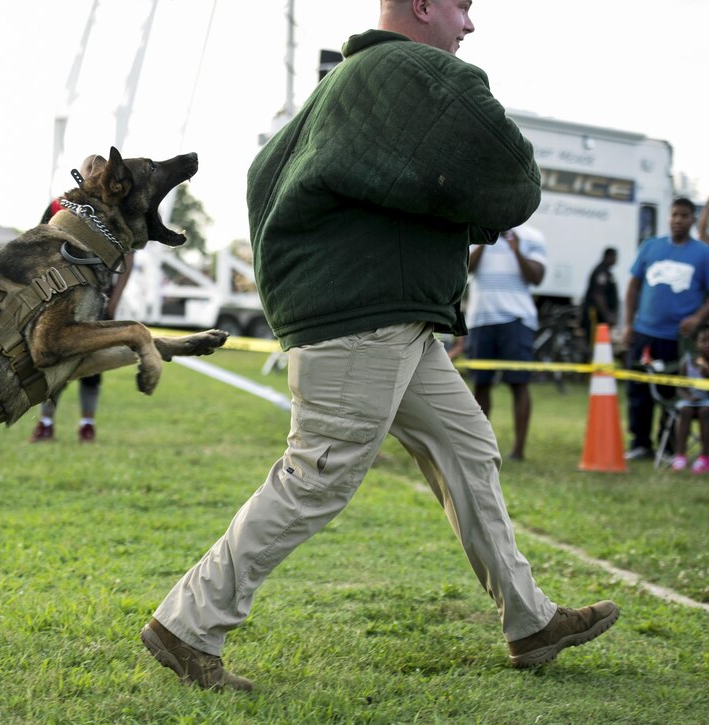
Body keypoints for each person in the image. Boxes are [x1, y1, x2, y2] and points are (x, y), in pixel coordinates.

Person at [139, 0, 618, 692]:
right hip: (365, 319)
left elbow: (264, 178)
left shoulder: (337, 87)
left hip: (394, 319)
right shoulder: (409, 69)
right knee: (317, 476)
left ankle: (530, 619)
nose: (470, 26)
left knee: (469, 450)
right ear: (423, 6)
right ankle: (188, 623)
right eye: (463, 7)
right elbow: (511, 172)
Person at [28, 199, 133, 443]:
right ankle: (45, 424)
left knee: (93, 367)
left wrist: (114, 301)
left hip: (99, 300)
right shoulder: (57, 207)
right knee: (55, 363)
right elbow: (40, 246)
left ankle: (87, 426)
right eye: (89, 169)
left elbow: (128, 259)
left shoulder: (114, 211)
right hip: (63, 301)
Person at [622, 198, 709, 462]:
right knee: (639, 390)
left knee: (673, 392)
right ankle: (640, 443)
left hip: (679, 339)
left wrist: (696, 318)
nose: (678, 220)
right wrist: (628, 324)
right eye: (674, 215)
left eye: (684, 215)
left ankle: (669, 446)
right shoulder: (651, 247)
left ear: (693, 219)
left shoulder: (703, 253)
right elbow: (634, 286)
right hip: (645, 332)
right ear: (668, 217)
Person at [458, 225, 546, 461]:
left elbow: (537, 277)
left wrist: (516, 249)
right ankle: (478, 447)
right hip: (481, 319)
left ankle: (518, 450)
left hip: (516, 320)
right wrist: (487, 239)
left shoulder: (532, 236)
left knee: (519, 384)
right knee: (481, 385)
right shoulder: (476, 230)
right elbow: (466, 268)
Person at [670, 326, 709, 473]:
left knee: (705, 411)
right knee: (685, 410)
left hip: (707, 402)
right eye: (703, 341)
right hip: (690, 400)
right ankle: (680, 455)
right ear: (696, 344)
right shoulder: (688, 362)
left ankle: (705, 456)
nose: (707, 344)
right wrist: (689, 396)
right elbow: (680, 387)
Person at [581, 247, 619, 337]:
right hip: (595, 314)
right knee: (594, 341)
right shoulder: (601, 272)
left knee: (599, 343)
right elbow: (598, 295)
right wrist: (607, 314)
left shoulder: (607, 272)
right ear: (608, 256)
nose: (615, 260)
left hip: (600, 315)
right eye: (614, 257)